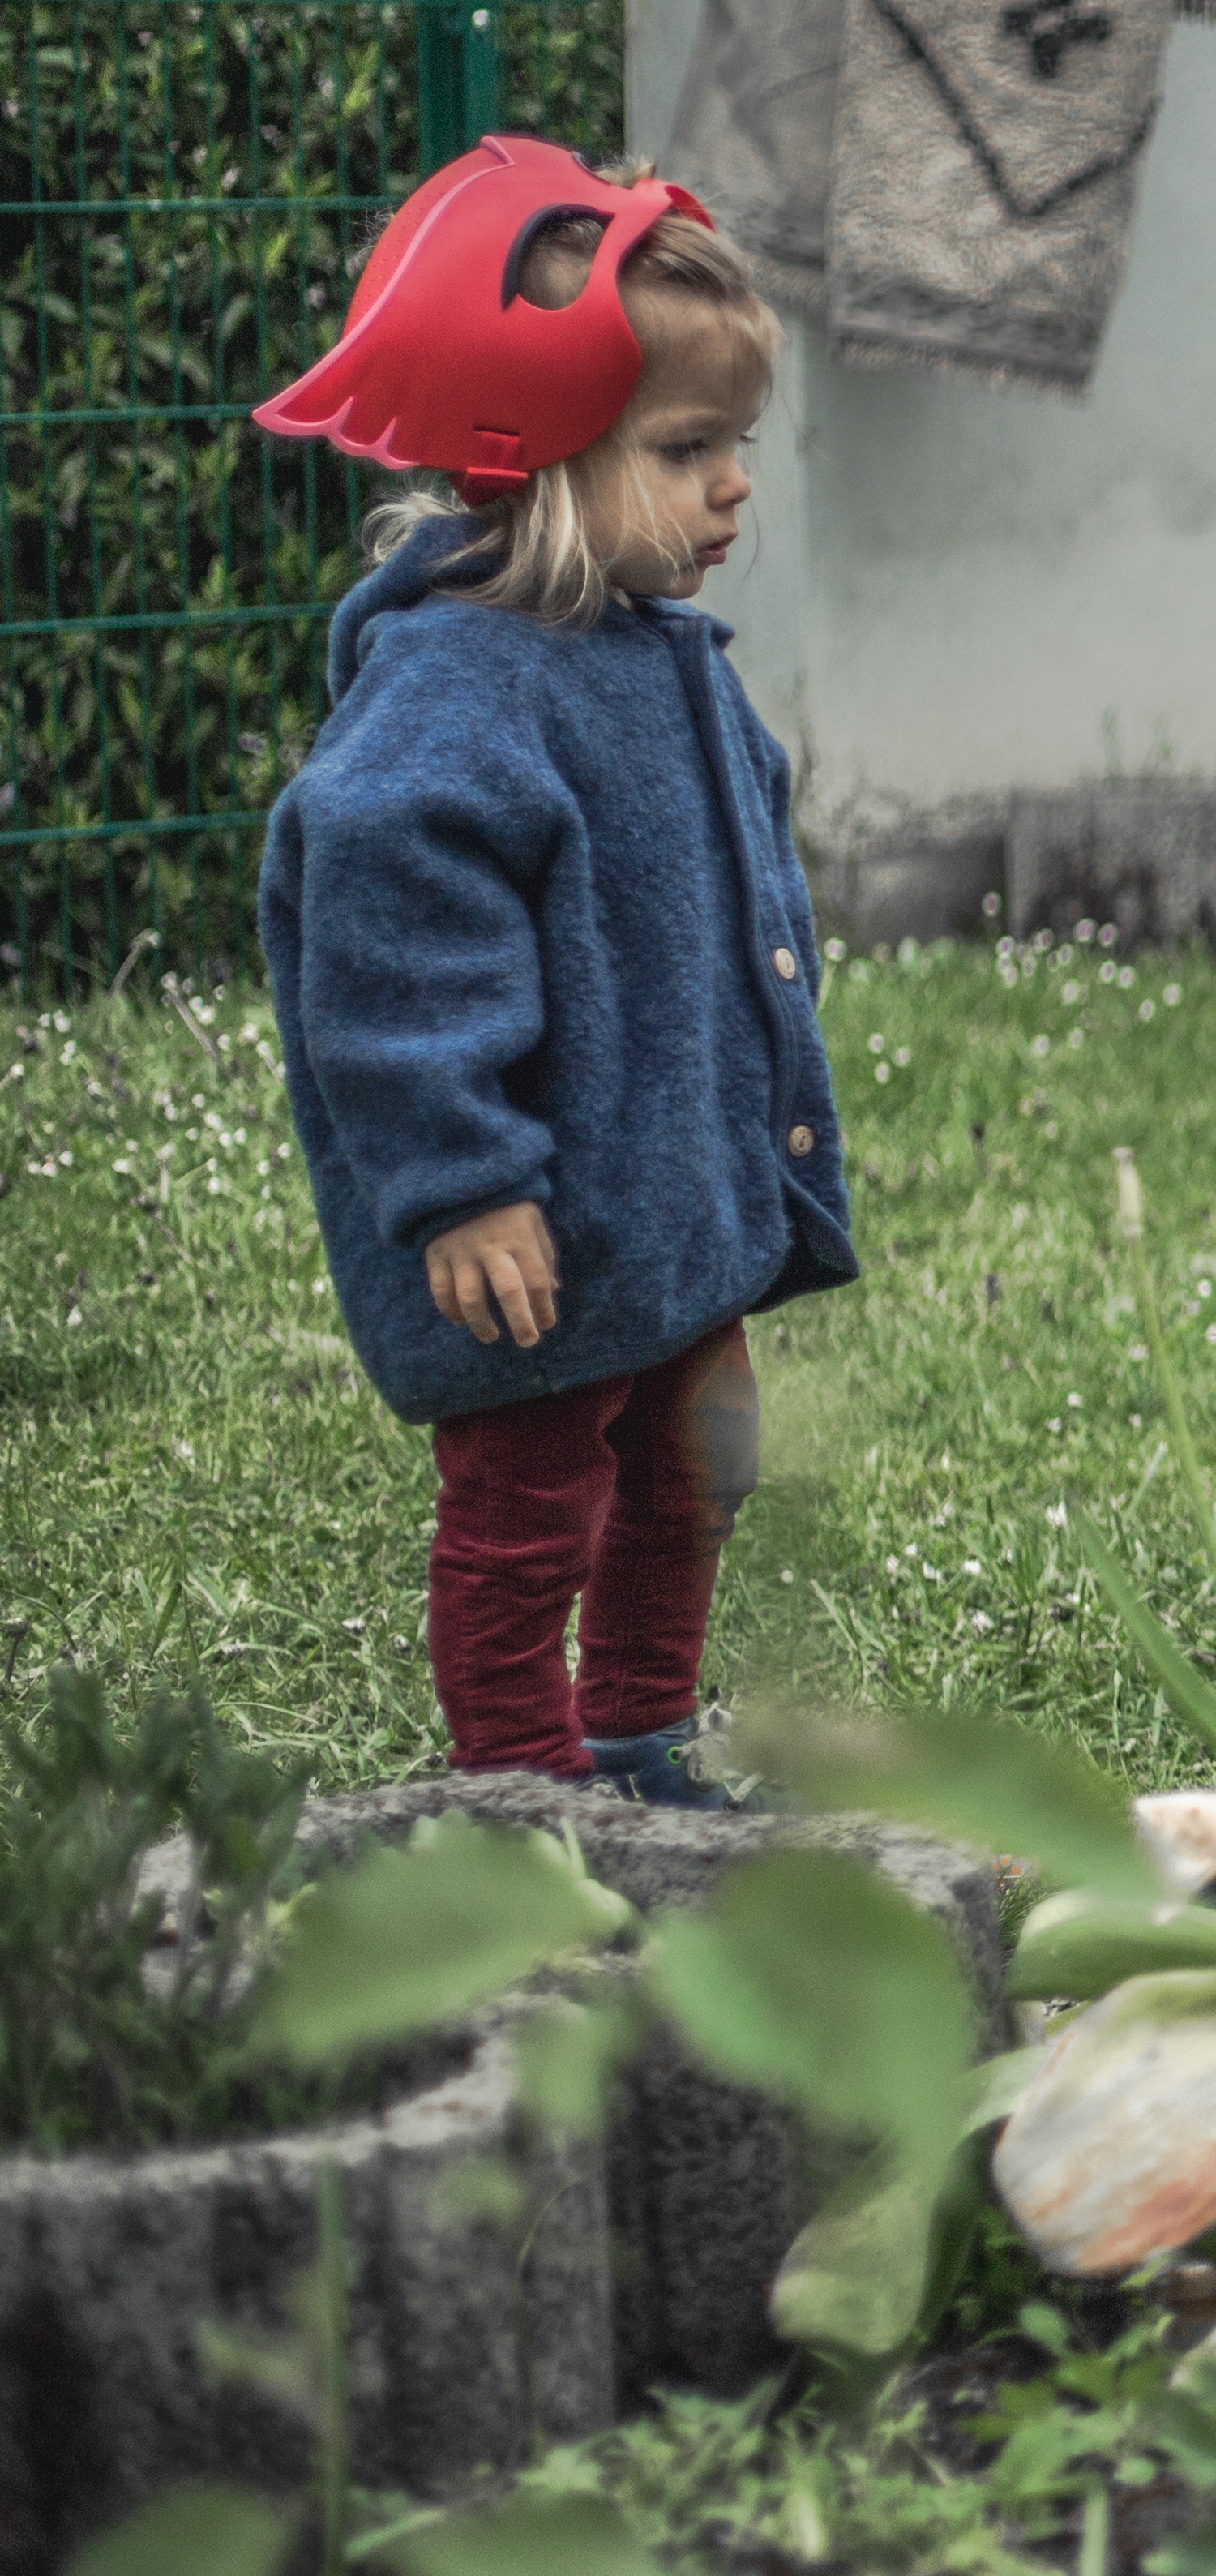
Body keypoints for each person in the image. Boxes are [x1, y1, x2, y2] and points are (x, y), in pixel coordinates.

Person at [250, 135, 847, 1805]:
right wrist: (460, 1183)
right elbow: (384, 953)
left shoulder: (654, 652)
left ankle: (641, 1733)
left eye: (738, 443)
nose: (736, 486)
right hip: (537, 1226)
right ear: (531, 459)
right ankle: (518, 1783)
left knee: (695, 1471)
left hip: (676, 1199)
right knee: (530, 1514)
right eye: (687, 449)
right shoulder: (456, 693)